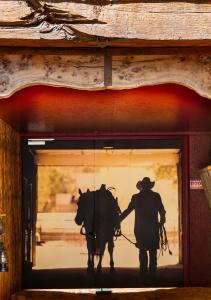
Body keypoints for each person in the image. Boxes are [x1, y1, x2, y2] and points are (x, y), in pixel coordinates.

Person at [120, 177, 166, 279]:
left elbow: (127, 211)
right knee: (152, 251)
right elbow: (162, 211)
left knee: (142, 250)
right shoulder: (155, 196)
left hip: (140, 229)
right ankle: (152, 274)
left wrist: (118, 221)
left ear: (141, 187)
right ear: (149, 186)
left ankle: (143, 273)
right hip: (153, 228)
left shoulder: (136, 197)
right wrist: (162, 221)